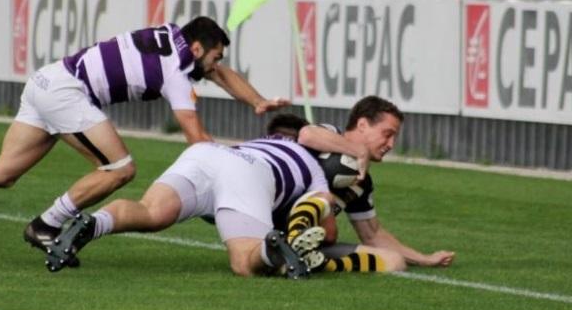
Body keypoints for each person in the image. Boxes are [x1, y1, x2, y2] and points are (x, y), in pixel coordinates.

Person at [0, 16, 290, 259]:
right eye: (215, 56)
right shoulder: (177, 74)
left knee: (3, 171)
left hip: (48, 80)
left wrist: (256, 103)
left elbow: (219, 72)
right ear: (198, 47)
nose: (217, 66)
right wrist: (235, 165)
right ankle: (45, 225)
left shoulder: (175, 37)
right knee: (121, 168)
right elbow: (196, 139)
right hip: (68, 93)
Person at [42, 116, 371, 278]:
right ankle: (271, 248)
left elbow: (307, 132)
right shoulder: (313, 174)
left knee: (150, 212)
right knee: (244, 261)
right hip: (246, 176)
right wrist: (335, 202)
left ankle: (93, 222)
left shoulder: (267, 141)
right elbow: (328, 234)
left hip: (207, 154)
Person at [277, 97, 456, 273]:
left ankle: (307, 261)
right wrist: (359, 151)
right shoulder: (329, 134)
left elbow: (373, 235)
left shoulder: (362, 182)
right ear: (362, 125)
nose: (391, 144)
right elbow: (307, 135)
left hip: (312, 243)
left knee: (394, 262)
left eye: (394, 137)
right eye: (387, 134)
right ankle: (279, 254)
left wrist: (425, 259)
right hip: (269, 228)